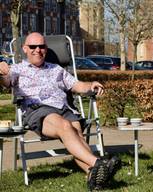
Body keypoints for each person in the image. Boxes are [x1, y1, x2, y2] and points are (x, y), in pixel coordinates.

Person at [0, 32, 120, 190]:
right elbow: (6, 82)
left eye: (41, 46)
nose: (38, 50)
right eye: (33, 46)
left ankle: (93, 175)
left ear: (46, 48)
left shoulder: (56, 69)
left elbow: (76, 85)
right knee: (65, 126)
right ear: (25, 49)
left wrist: (91, 85)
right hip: (39, 110)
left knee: (76, 132)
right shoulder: (16, 69)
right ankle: (98, 163)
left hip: (64, 109)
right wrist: (2, 73)